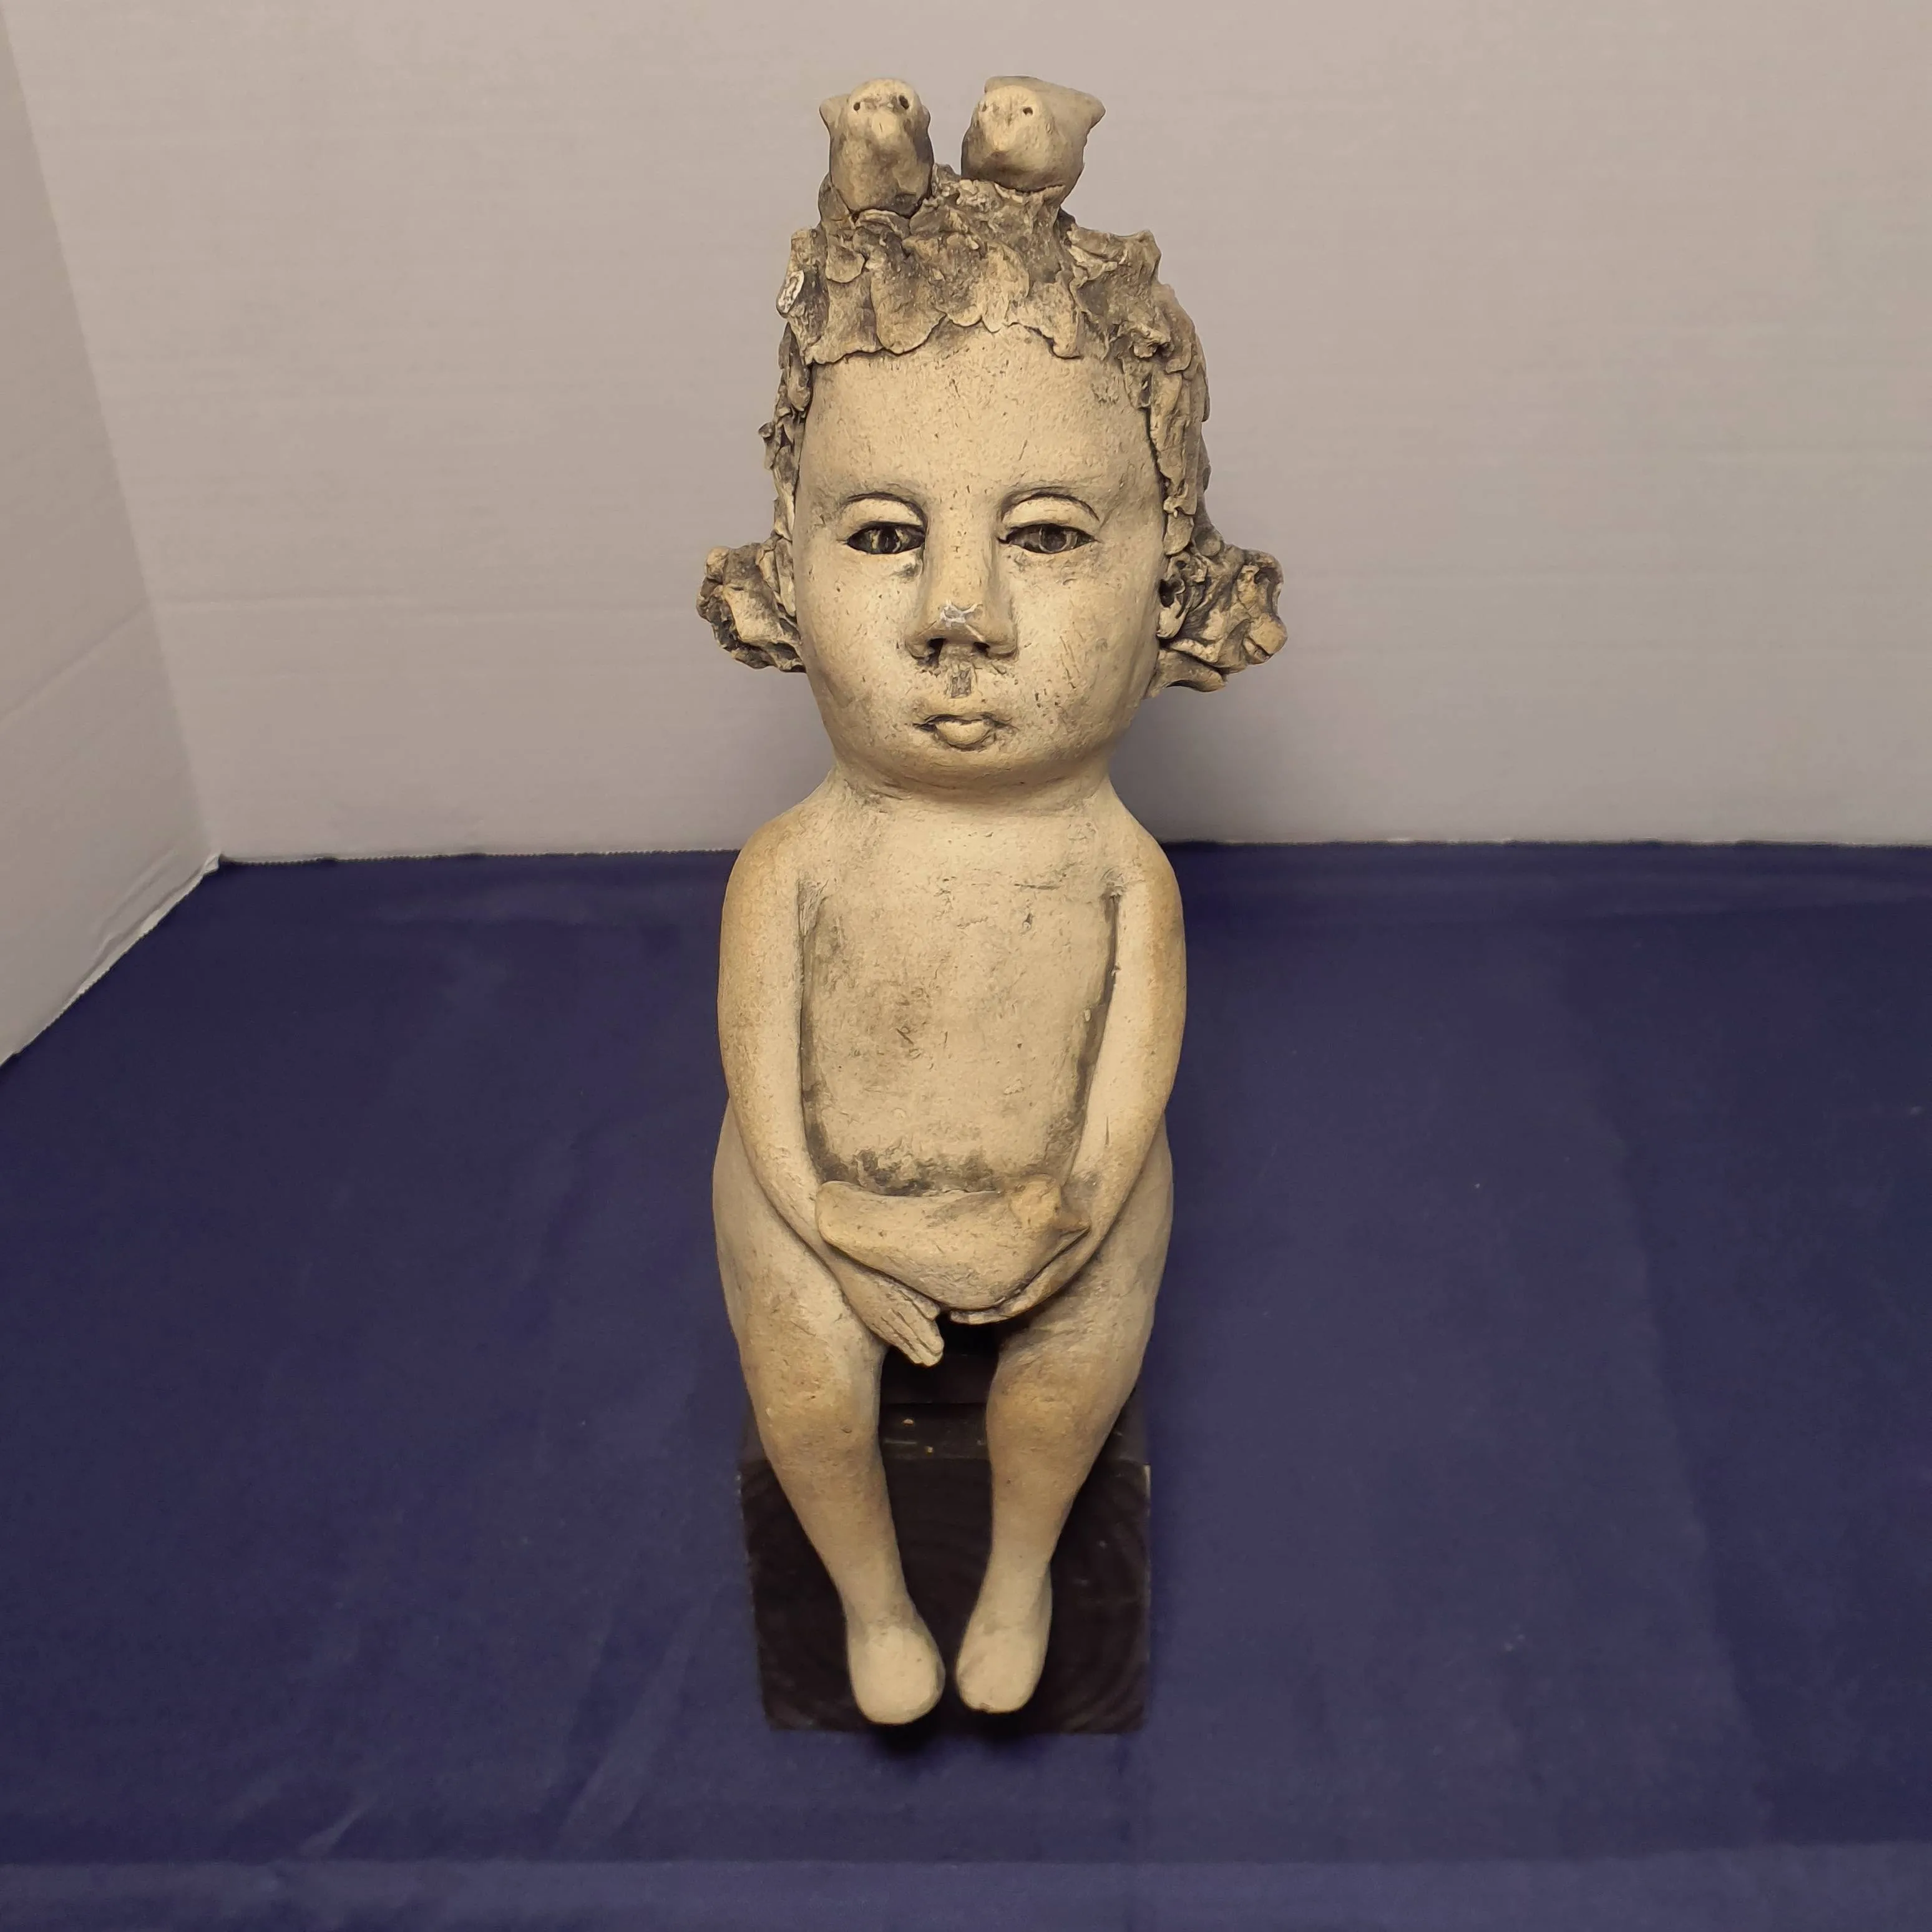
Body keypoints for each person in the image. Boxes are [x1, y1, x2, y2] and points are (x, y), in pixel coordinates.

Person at [700, 76, 1284, 1725]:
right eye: (887, 534)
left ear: (1172, 581)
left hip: (1050, 1207)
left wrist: (1073, 1219)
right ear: (784, 570)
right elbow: (762, 1093)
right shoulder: (797, 862)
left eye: (1045, 536)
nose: (959, 612)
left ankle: (1022, 1569)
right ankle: (876, 1603)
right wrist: (834, 1236)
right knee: (804, 1385)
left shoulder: (1115, 868)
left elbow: (1127, 1094)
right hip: (830, 1207)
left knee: (1075, 1366)